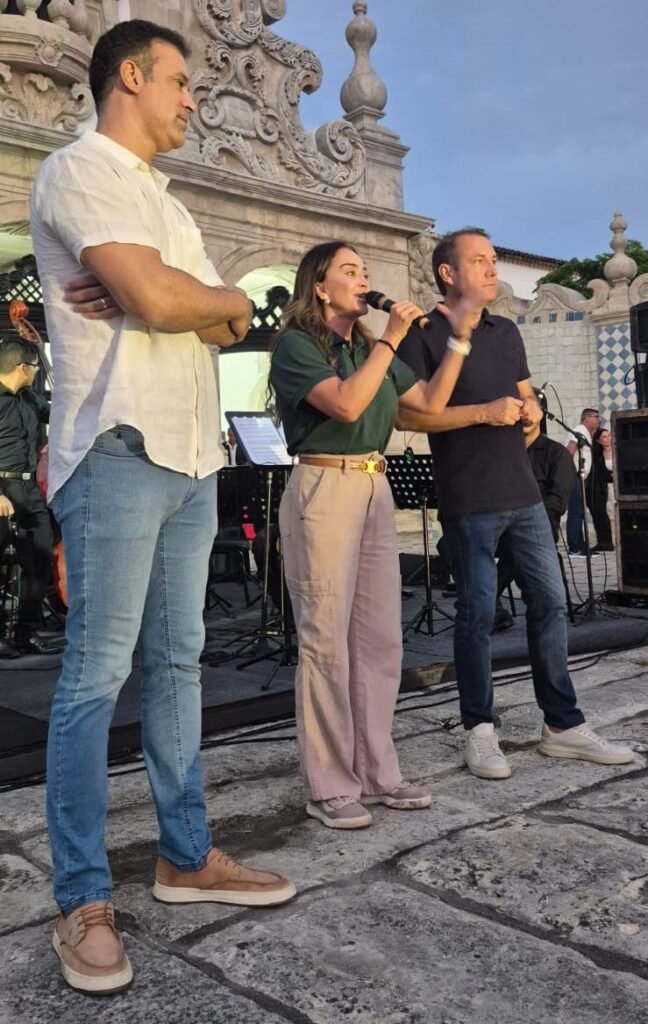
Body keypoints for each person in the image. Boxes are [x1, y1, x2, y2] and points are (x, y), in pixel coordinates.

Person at [30, 19, 295, 997]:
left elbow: (230, 318)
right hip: (120, 442)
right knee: (95, 676)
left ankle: (186, 855)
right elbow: (155, 294)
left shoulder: (171, 205)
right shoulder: (77, 168)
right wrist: (177, 296)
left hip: (192, 450)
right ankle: (81, 897)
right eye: (181, 80)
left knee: (180, 660)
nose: (193, 98)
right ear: (131, 76)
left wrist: (193, 298)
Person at [396, 228, 634, 780]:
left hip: (522, 490)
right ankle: (480, 728)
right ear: (447, 273)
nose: (491, 267)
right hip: (468, 494)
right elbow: (409, 416)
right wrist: (482, 413)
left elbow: (523, 400)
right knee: (478, 612)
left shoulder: (505, 331)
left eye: (494, 259)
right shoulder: (423, 332)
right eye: (478, 260)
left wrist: (526, 416)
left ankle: (562, 725)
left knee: (550, 602)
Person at [269, 240, 481, 830]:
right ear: (319, 285)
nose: (364, 279)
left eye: (366, 270)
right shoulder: (298, 346)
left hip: (372, 483)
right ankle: (330, 784)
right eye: (350, 271)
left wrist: (458, 337)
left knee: (380, 639)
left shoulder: (366, 346)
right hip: (324, 484)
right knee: (326, 642)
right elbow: (344, 403)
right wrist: (391, 337)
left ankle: (378, 771)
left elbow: (432, 402)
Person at [493, 412, 575, 631]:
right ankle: (492, 607)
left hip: (537, 527)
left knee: (516, 544)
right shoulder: (502, 454)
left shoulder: (557, 454)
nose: (524, 417)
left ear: (540, 414)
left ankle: (488, 601)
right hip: (498, 526)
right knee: (450, 543)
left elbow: (557, 502)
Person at [0, 336, 52, 656]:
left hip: (29, 488)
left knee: (41, 560)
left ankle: (27, 632)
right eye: (34, 366)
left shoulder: (32, 399)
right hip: (1, 488)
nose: (36, 372)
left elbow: (62, 414)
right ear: (22, 367)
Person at [565, 407, 601, 556]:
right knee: (575, 512)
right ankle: (575, 547)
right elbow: (569, 452)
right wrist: (572, 475)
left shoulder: (584, 433)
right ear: (586, 418)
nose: (599, 420)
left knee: (580, 512)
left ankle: (581, 544)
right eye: (596, 416)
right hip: (574, 477)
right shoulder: (579, 430)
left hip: (580, 477)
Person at [586, 426, 614, 552]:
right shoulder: (597, 455)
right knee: (602, 513)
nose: (607, 439)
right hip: (604, 486)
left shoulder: (618, 450)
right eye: (604, 437)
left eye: (609, 436)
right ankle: (605, 541)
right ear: (598, 441)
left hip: (617, 486)